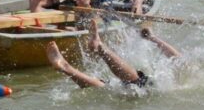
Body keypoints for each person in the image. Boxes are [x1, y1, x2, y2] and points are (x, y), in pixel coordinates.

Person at [46, 18, 181, 89]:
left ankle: (99, 47)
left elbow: (177, 59)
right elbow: (177, 59)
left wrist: (153, 38)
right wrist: (152, 38)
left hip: (148, 91)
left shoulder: (180, 78)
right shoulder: (184, 80)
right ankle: (66, 67)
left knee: (136, 82)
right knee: (103, 86)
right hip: (144, 98)